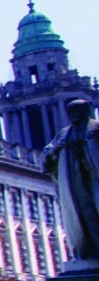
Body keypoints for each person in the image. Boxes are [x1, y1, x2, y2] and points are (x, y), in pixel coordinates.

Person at [41, 98, 99, 260]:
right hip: (75, 177)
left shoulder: (96, 127)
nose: (74, 115)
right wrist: (52, 153)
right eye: (71, 112)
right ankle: (89, 249)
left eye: (77, 111)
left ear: (87, 111)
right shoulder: (64, 133)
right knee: (82, 213)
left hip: (94, 174)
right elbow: (48, 152)